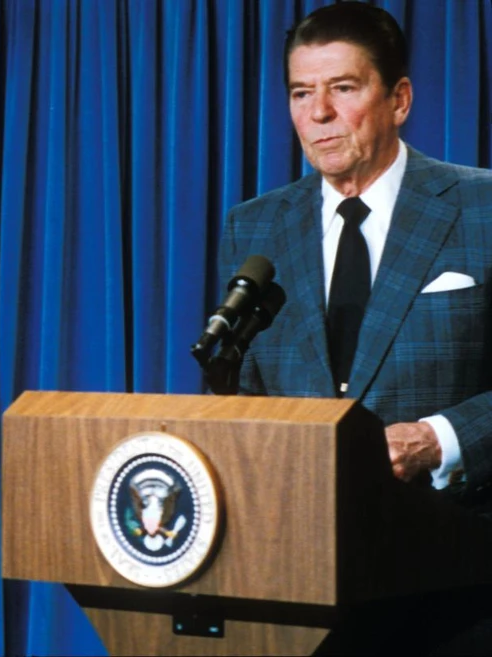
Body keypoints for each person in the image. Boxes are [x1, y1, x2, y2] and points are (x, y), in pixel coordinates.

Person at [217, 2, 490, 652]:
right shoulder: (255, 227)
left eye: (342, 88)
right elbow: (244, 394)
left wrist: (438, 439)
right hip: (301, 584)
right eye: (300, 92)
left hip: (459, 579)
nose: (318, 113)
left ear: (399, 99)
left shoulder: (481, 207)